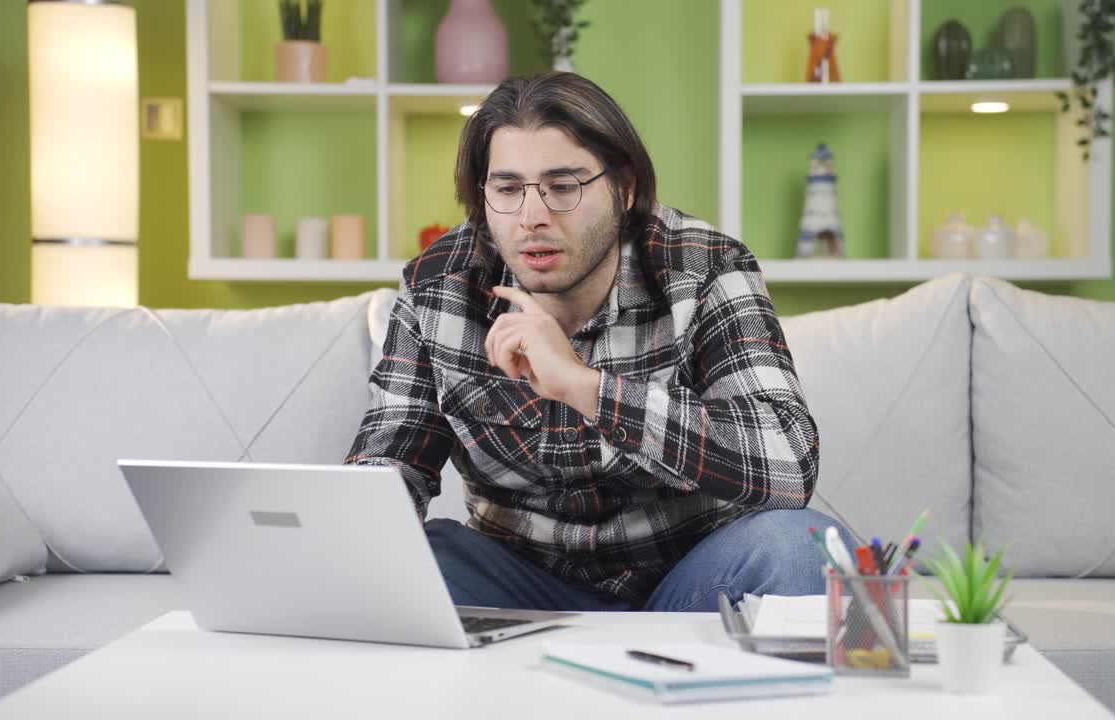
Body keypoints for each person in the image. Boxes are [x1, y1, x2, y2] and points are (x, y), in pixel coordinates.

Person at [346, 72, 847, 612]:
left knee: (803, 549)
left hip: (689, 582)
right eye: (508, 189)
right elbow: (388, 464)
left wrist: (590, 389)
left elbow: (789, 463)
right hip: (516, 585)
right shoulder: (437, 286)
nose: (532, 217)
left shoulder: (703, 269)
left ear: (623, 189)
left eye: (564, 187)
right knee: (416, 559)